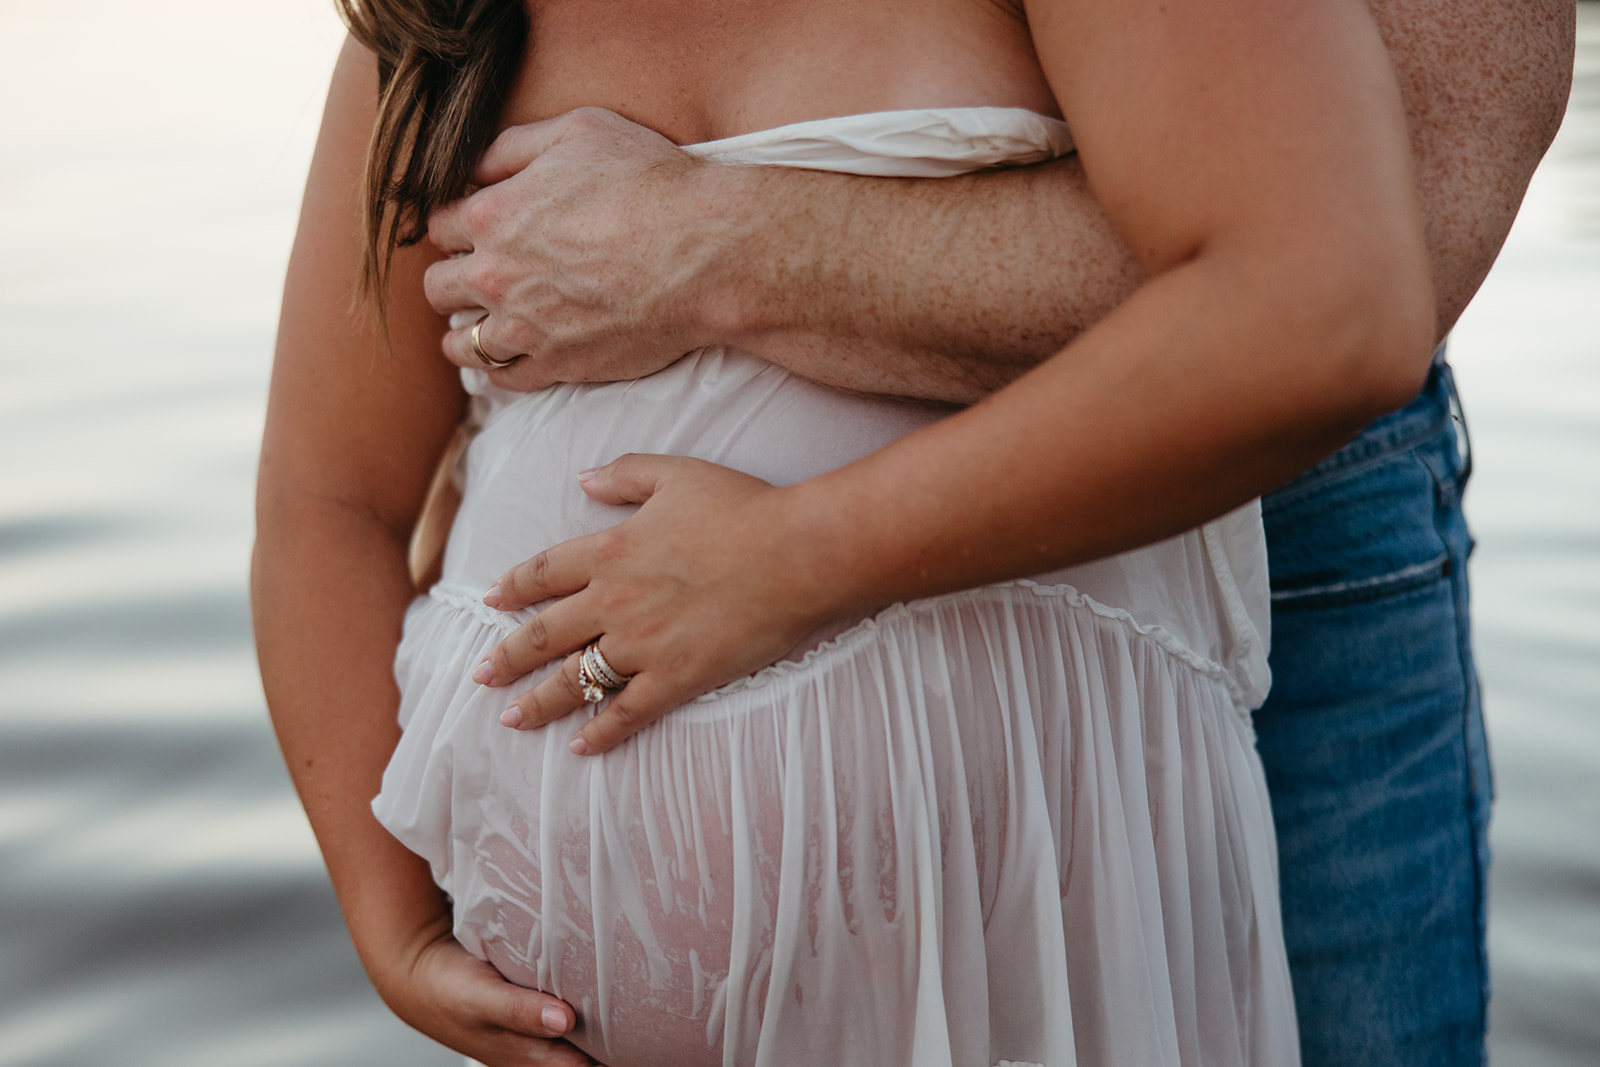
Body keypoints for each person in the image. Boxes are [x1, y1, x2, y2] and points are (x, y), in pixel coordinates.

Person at [253, 1, 1440, 1065]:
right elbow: (330, 492)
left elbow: (1320, 308)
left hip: (1028, 971)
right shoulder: (436, 14)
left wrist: (795, 559)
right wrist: (392, 917)